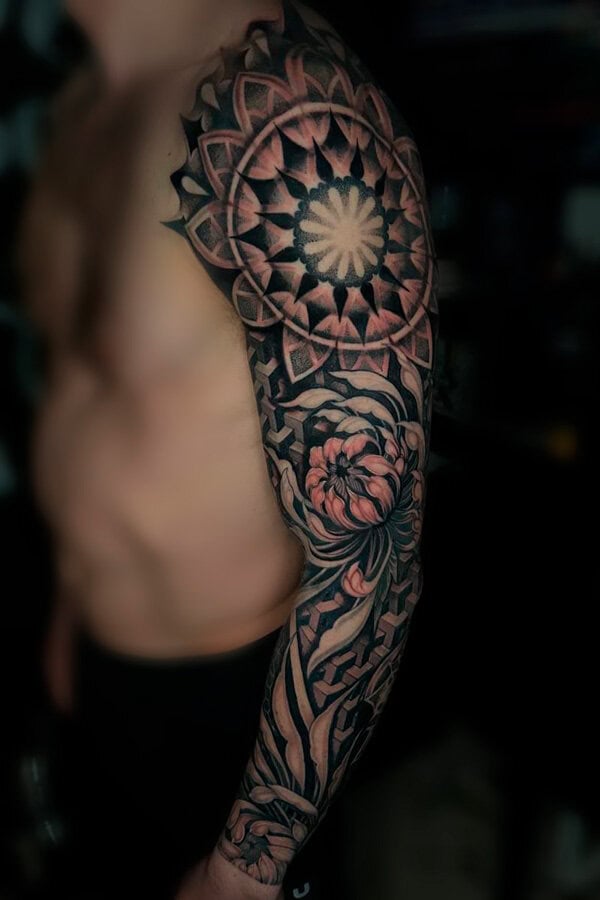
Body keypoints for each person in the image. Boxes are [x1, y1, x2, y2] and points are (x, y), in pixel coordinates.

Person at [17, 0, 438, 897]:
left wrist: (251, 862)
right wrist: (72, 608)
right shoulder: (86, 103)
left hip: (239, 725)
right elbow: (99, 402)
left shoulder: (293, 121)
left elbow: (373, 541)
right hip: (94, 671)